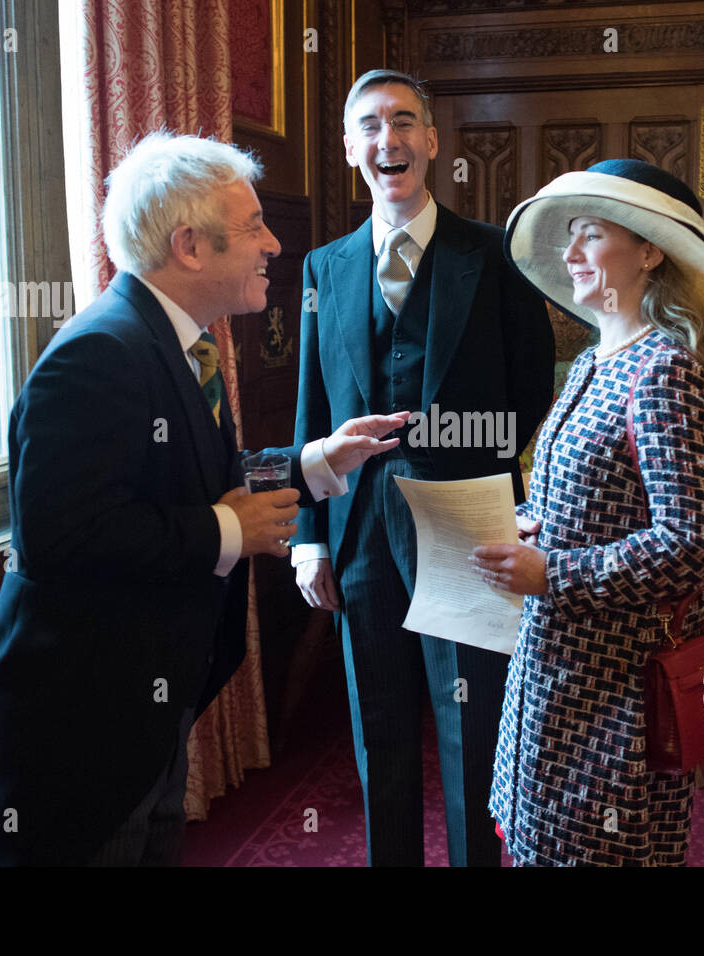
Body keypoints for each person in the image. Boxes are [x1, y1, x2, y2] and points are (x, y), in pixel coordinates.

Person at [0, 132, 408, 866]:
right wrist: (225, 531)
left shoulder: (179, 342)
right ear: (191, 246)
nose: (273, 243)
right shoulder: (96, 355)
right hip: (76, 731)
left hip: (140, 713)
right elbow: (60, 538)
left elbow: (202, 476)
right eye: (255, 226)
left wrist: (316, 462)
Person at [292, 70, 555, 866]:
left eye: (404, 122)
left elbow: (529, 388)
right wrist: (310, 533)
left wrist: (476, 470)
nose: (388, 140)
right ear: (349, 149)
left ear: (432, 142)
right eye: (369, 126)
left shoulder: (494, 255)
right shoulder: (323, 268)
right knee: (379, 726)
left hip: (465, 521)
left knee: (472, 724)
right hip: (358, 525)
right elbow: (311, 406)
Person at [473, 159, 704, 865]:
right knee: (537, 844)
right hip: (548, 669)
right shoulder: (594, 360)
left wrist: (552, 571)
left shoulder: (663, 370)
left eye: (591, 235)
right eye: (570, 238)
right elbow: (587, 495)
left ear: (649, 252)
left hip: (612, 686)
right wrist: (529, 519)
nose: (571, 253)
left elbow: (695, 540)